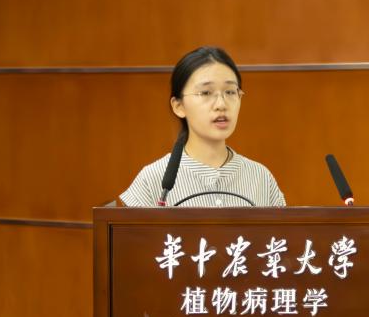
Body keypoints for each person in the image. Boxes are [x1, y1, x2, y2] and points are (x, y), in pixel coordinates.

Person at [119, 46, 286, 207]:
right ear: (179, 106)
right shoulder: (152, 179)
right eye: (206, 93)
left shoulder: (261, 178)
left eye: (230, 92)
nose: (221, 104)